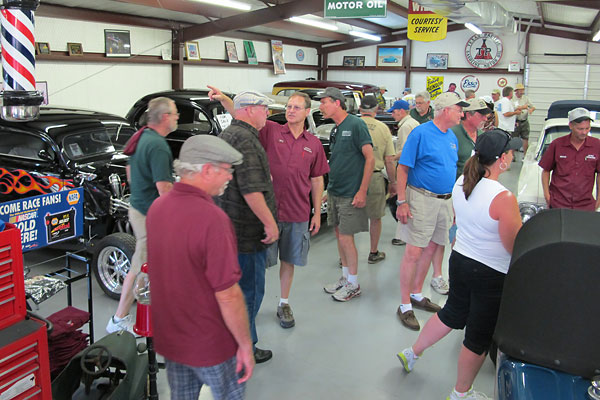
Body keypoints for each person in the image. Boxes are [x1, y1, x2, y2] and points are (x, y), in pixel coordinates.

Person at [397, 129, 523, 400]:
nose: (513, 155)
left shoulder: (462, 181)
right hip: (490, 272)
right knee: (477, 337)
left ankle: (412, 352)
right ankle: (460, 393)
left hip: (461, 261)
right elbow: (512, 246)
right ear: (501, 159)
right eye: (511, 151)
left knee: (452, 313)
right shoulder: (504, 198)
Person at [147, 135, 254, 400]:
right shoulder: (213, 219)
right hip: (210, 344)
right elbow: (228, 294)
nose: (230, 177)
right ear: (207, 170)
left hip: (173, 340)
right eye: (227, 170)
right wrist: (244, 345)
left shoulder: (158, 208)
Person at [213, 89, 279, 364]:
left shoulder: (229, 134)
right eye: (265, 108)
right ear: (250, 109)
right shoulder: (247, 141)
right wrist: (270, 224)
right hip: (247, 233)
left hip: (227, 227)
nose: (267, 113)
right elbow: (251, 190)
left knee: (233, 289)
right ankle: (245, 346)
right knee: (250, 291)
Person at [395, 93, 469, 331]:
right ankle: (405, 304)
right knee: (414, 252)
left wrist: (454, 203)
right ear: (446, 110)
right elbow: (403, 168)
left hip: (445, 201)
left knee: (433, 248)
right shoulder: (421, 133)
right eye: (459, 109)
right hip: (422, 200)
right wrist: (402, 201)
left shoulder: (452, 137)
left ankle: (417, 293)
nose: (462, 113)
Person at [106, 97, 176, 334]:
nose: (178, 117)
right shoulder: (157, 145)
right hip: (149, 215)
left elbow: (130, 172)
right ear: (165, 117)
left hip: (140, 208)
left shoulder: (144, 137)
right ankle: (118, 319)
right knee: (140, 267)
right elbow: (164, 189)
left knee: (155, 267)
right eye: (175, 113)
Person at [316, 87, 374, 302]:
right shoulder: (336, 129)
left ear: (337, 103)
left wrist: (362, 191)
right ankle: (345, 276)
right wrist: (329, 190)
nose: (321, 106)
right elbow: (338, 162)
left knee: (347, 239)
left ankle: (354, 283)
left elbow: (369, 158)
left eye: (324, 102)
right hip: (336, 192)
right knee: (339, 236)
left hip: (351, 193)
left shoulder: (356, 124)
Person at [539, 107, 600, 211]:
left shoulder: (597, 146)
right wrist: (547, 196)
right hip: (559, 204)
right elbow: (546, 171)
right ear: (571, 126)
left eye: (587, 128)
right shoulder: (557, 145)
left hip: (585, 206)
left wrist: (599, 199)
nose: (584, 132)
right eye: (580, 129)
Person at [360, 95, 396, 263]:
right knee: (375, 217)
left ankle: (345, 255)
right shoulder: (383, 129)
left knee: (348, 216)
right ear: (376, 110)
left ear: (360, 109)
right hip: (374, 177)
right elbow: (389, 159)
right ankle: (373, 252)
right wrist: (393, 183)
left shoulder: (351, 124)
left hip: (352, 177)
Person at [388, 99, 419, 246]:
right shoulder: (413, 123)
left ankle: (403, 235)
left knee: (398, 201)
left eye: (393, 112)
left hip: (406, 168)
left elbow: (406, 150)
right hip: (415, 168)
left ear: (401, 111)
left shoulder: (405, 127)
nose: (392, 115)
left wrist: (392, 157)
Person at [453, 98, 492, 179]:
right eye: (482, 115)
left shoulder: (482, 136)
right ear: (468, 115)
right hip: (455, 185)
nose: (485, 119)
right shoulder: (453, 134)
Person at [512, 83, 536, 156]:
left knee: (525, 138)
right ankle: (512, 156)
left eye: (523, 89)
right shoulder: (513, 99)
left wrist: (531, 110)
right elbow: (514, 108)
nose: (522, 91)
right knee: (514, 139)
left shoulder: (526, 98)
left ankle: (525, 156)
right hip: (515, 121)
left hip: (524, 120)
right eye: (521, 90)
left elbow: (533, 107)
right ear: (516, 91)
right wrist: (523, 107)